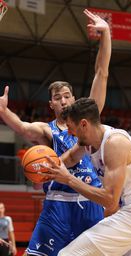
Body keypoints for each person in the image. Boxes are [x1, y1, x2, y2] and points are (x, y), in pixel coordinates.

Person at [0, 9, 111, 256]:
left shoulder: (87, 117)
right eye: (57, 98)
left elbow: (101, 74)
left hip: (88, 201)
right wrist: (4, 111)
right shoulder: (46, 130)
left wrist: (105, 37)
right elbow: (22, 128)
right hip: (57, 204)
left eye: (66, 96)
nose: (63, 101)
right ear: (51, 105)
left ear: (74, 98)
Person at [42, 97, 131, 256]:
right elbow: (70, 158)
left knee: (69, 254)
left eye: (71, 127)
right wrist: (45, 170)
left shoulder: (115, 143)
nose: (69, 133)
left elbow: (110, 199)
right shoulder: (89, 141)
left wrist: (69, 179)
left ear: (84, 124)